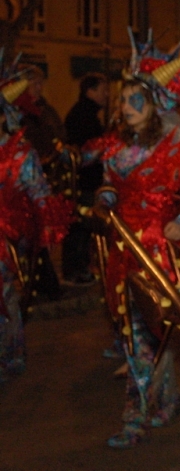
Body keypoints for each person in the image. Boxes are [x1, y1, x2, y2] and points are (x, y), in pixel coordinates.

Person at [82, 29, 180, 448]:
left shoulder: (174, 146)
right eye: (123, 99)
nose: (127, 106)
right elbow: (109, 185)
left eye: (137, 99)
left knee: (157, 333)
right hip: (123, 251)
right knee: (136, 336)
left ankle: (156, 405)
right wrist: (105, 196)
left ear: (155, 105)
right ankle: (141, 413)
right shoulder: (116, 148)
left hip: (158, 253)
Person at [0, 75, 72, 382]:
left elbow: (40, 194)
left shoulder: (19, 153)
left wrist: (45, 224)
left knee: (4, 297)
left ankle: (9, 355)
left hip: (6, 236)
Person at [62, 72, 108, 285]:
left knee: (84, 226)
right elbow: (86, 149)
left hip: (86, 179)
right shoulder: (83, 115)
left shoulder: (87, 113)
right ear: (90, 91)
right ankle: (76, 270)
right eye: (102, 89)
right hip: (85, 180)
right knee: (81, 225)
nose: (106, 94)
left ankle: (80, 268)